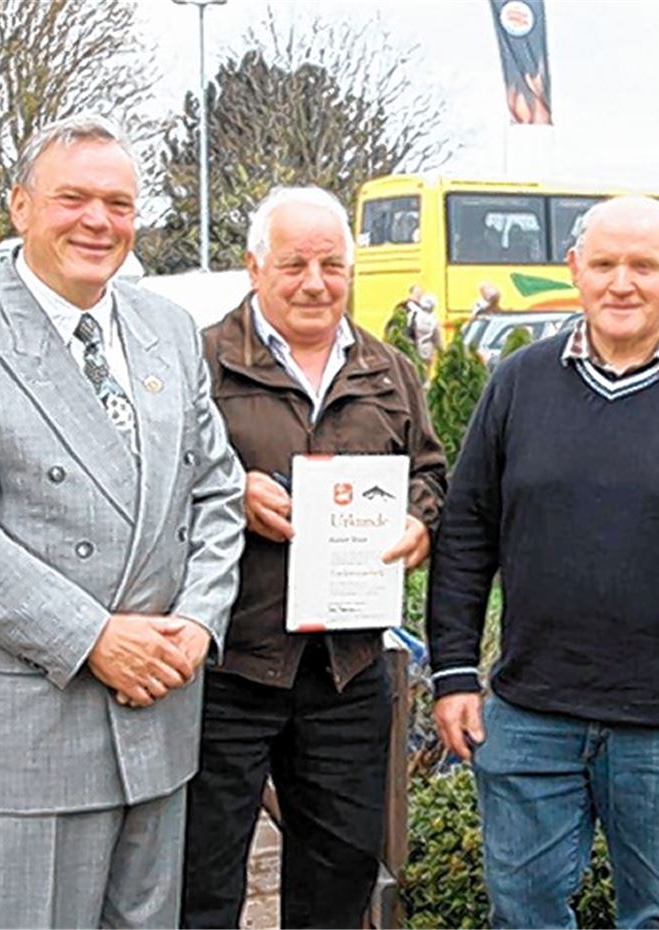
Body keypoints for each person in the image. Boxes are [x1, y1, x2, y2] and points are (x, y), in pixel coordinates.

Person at [0, 113, 245, 928]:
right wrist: (94, 638)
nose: (99, 221)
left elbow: (217, 491)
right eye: (74, 198)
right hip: (26, 732)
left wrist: (200, 623)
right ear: (21, 205)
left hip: (159, 717)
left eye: (119, 203)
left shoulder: (166, 328)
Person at [427, 196, 659, 929]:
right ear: (575, 271)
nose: (622, 283)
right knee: (523, 913)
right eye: (604, 264)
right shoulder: (518, 384)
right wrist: (455, 671)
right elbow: (467, 531)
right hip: (530, 717)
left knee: (658, 917)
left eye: (643, 266)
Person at [181, 185, 447, 929]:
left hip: (347, 669)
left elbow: (428, 472)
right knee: (202, 879)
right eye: (294, 263)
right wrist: (230, 492)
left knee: (339, 877)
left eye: (332, 264)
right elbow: (153, 479)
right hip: (228, 664)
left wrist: (419, 521)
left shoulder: (388, 369)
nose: (314, 281)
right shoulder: (201, 360)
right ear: (253, 266)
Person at [408, 292, 445, 377]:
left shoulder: (413, 315)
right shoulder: (433, 319)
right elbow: (437, 338)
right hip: (426, 352)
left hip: (413, 349)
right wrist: (442, 351)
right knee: (425, 375)